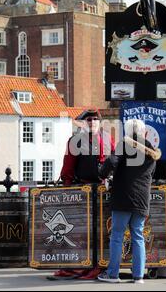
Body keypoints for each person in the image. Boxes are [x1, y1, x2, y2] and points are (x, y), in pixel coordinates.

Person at [48, 109, 115, 280]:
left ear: (100, 122)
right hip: (82, 191)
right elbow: (68, 166)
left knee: (101, 231)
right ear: (84, 123)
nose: (92, 122)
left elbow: (116, 160)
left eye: (95, 119)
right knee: (78, 231)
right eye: (89, 120)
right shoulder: (75, 141)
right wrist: (67, 187)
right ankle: (76, 266)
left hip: (103, 191)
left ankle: (97, 266)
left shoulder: (108, 139)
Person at [97, 119, 157, 284]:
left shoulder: (125, 145)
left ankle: (113, 275)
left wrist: (102, 174)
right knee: (138, 235)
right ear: (144, 133)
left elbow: (111, 161)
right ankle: (138, 276)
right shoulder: (152, 151)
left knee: (117, 236)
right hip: (142, 199)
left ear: (127, 133)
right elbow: (152, 174)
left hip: (123, 196)